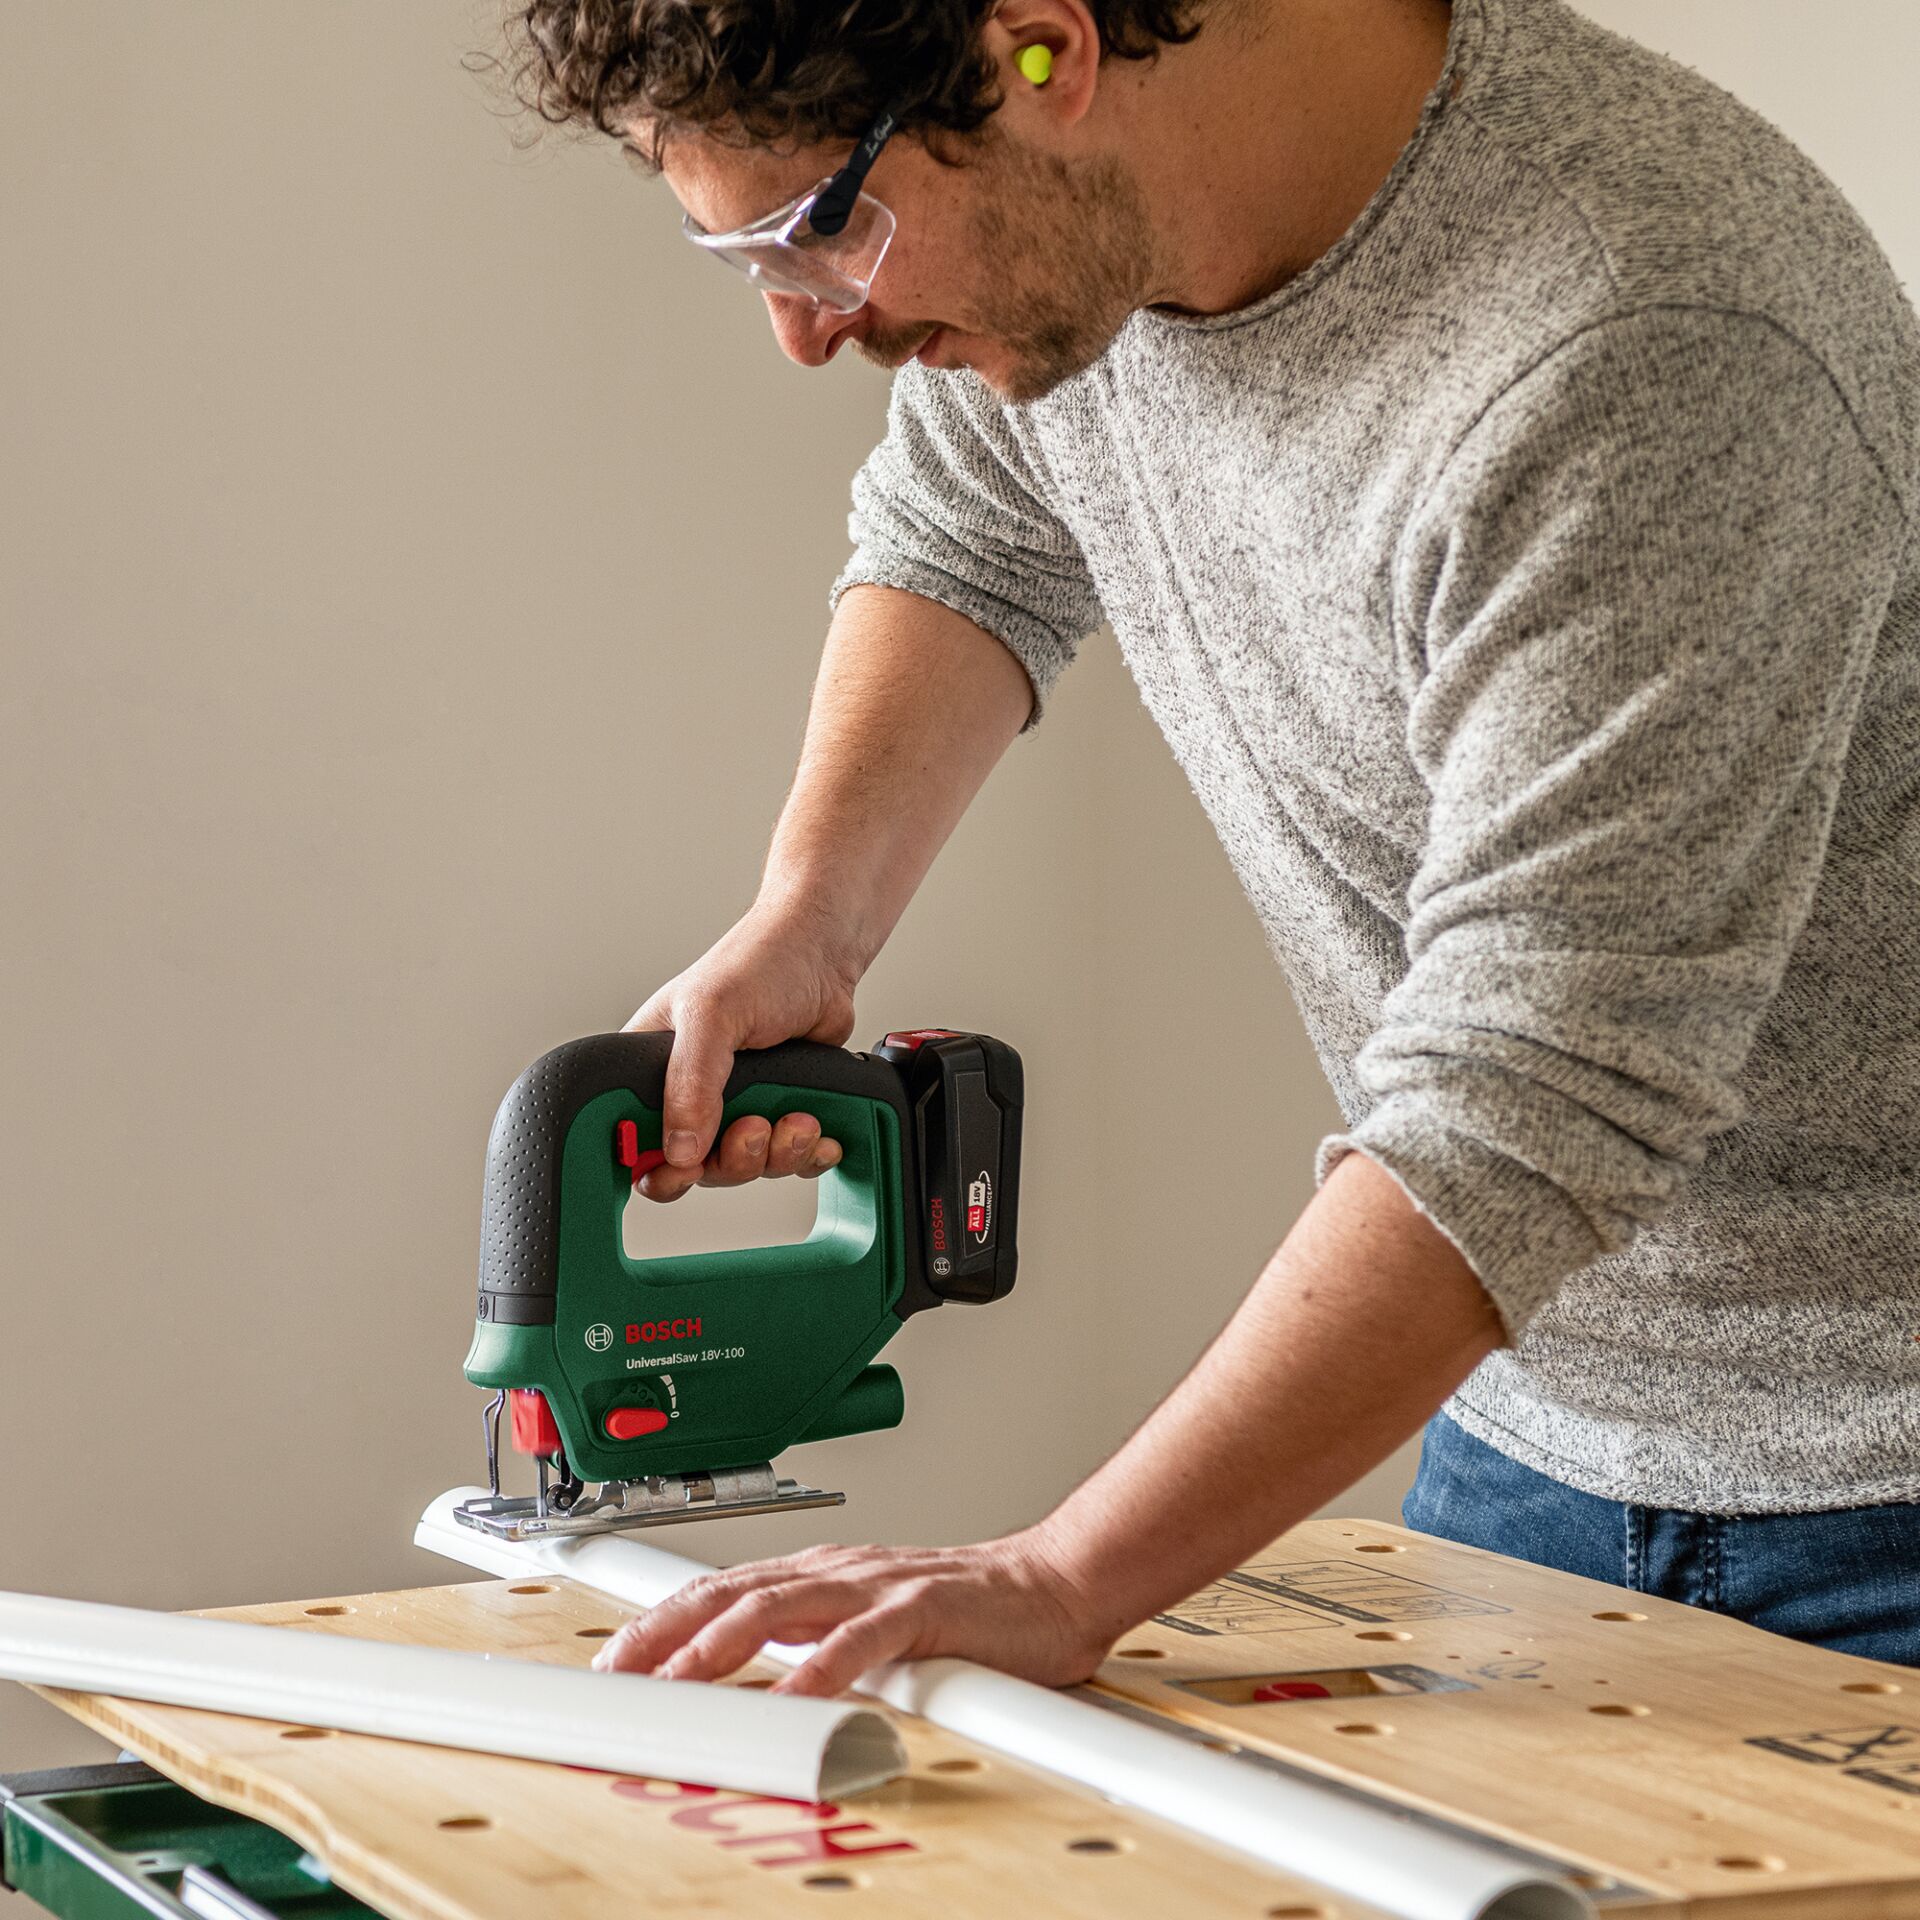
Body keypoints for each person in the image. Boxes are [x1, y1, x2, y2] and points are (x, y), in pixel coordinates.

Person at [502, 0, 1920, 1695]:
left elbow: (1535, 1096)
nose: (807, 333)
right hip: (1532, 1405)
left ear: (1042, 48)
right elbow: (975, 525)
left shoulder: (1644, 337)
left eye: (818, 229)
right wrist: (812, 914)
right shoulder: (1104, 244)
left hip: (1883, 1473)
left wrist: (1064, 1573)